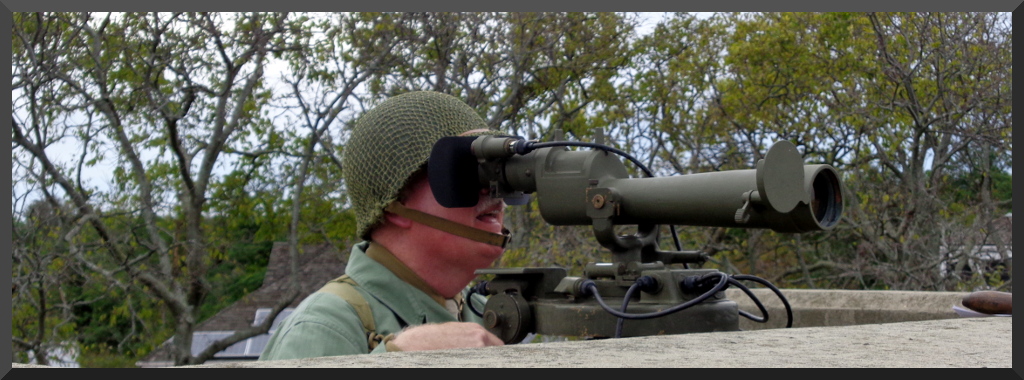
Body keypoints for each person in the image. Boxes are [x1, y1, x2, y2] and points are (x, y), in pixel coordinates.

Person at [259, 91, 509, 360]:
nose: (491, 190)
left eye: (492, 170)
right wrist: (394, 359)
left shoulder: (486, 312)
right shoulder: (323, 327)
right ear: (396, 203)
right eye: (464, 172)